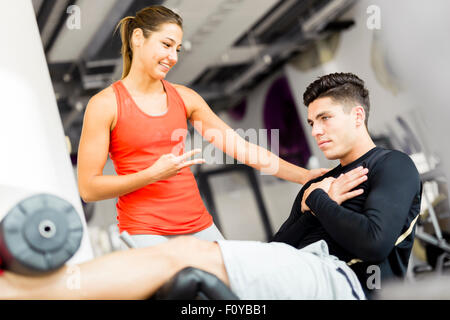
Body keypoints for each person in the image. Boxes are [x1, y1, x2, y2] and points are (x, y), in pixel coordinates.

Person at [1, 72, 420, 300]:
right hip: (304, 271)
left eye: (325, 118)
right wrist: (313, 202)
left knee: (184, 256)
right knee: (173, 276)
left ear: (358, 116)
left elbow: (374, 243)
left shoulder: (391, 165)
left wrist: (317, 201)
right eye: (311, 122)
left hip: (343, 286)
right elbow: (282, 247)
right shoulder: (320, 181)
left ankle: (19, 292)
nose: (316, 131)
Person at [76, 5, 326, 247]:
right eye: (166, 44)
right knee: (178, 288)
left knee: (230, 285)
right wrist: (151, 175)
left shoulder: (186, 98)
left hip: (198, 223)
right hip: (144, 229)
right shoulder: (105, 105)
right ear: (138, 38)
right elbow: (89, 188)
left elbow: (241, 148)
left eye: (177, 49)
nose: (172, 57)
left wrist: (304, 176)